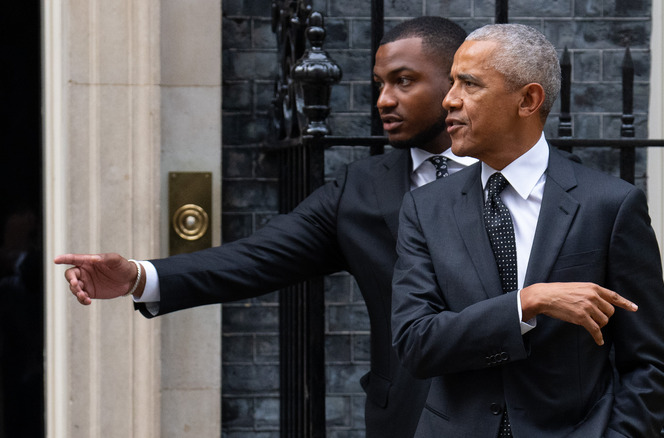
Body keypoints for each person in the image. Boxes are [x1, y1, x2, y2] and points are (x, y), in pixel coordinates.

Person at [54, 16, 473, 438]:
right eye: (379, 85)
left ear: (457, 82)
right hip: (408, 418)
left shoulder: (526, 178)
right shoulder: (362, 191)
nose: (383, 100)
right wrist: (139, 276)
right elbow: (256, 257)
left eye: (403, 81)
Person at [391, 23, 664, 438]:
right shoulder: (425, 207)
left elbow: (650, 363)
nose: (448, 99)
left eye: (469, 84)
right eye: (452, 82)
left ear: (528, 99)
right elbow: (415, 343)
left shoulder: (609, 205)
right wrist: (526, 304)